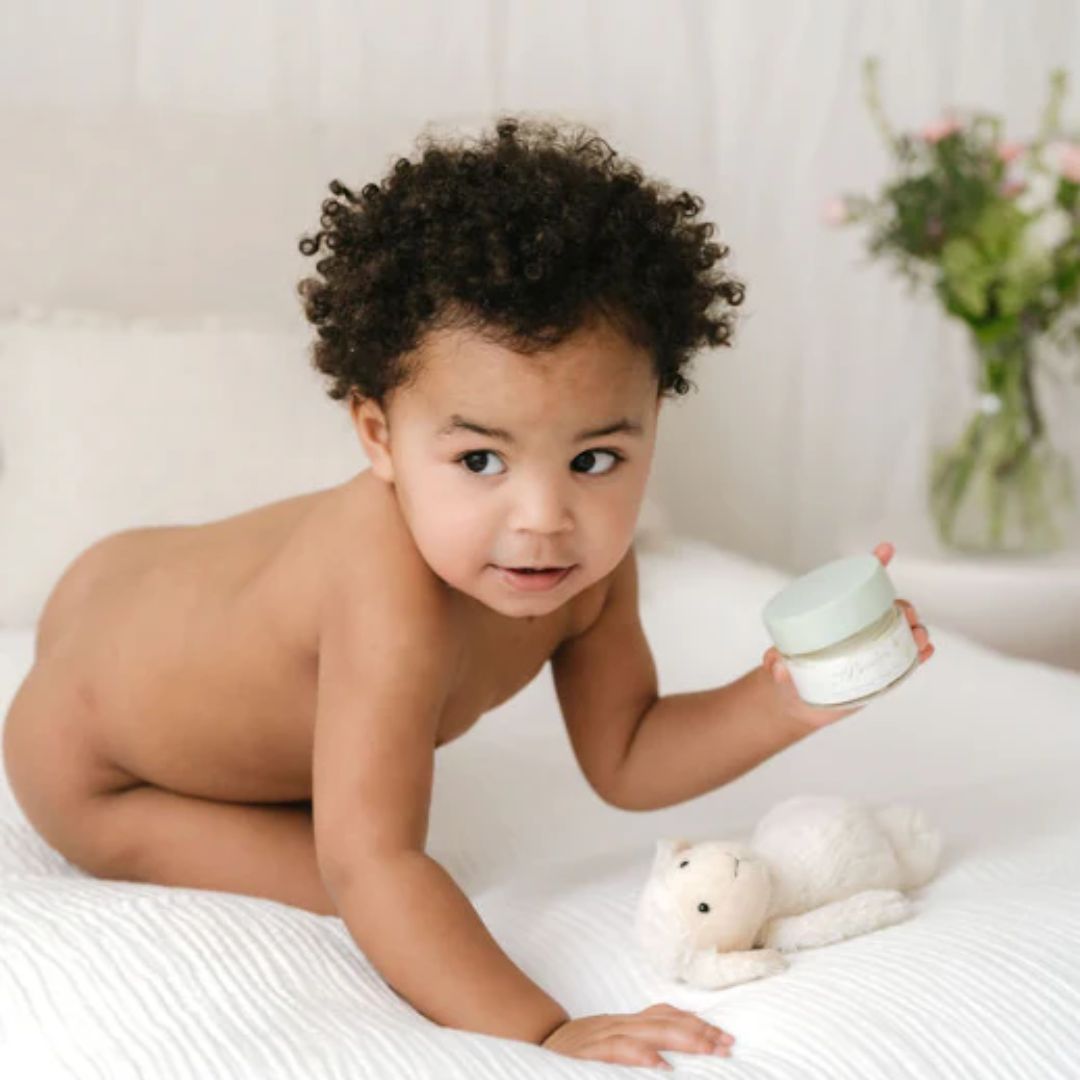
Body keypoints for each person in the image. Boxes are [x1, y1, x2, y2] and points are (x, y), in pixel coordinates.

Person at [2, 116, 934, 1071]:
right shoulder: (388, 594)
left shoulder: (591, 572)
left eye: (596, 457)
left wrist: (789, 695)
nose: (544, 517)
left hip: (134, 580)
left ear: (655, 421)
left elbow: (627, 755)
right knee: (354, 886)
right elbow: (372, 862)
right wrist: (544, 1029)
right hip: (94, 760)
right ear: (378, 437)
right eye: (481, 458)